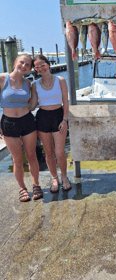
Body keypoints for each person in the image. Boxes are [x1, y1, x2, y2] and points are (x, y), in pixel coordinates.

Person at [0, 54, 43, 202]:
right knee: (17, 160)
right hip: (9, 123)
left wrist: (35, 100)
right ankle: (22, 188)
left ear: (30, 68)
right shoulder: (2, 79)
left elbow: (31, 105)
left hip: (27, 121)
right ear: (15, 62)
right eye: (21, 62)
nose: (24, 66)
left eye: (27, 65)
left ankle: (36, 184)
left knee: (32, 156)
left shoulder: (28, 83)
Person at [30, 55, 71, 193]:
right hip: (42, 118)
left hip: (59, 116)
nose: (40, 68)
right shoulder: (35, 84)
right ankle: (55, 177)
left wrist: (65, 120)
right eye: (37, 66)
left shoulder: (60, 80)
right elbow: (32, 104)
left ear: (48, 64)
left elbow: (66, 101)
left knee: (59, 152)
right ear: (34, 69)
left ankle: (64, 176)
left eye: (42, 65)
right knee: (48, 152)